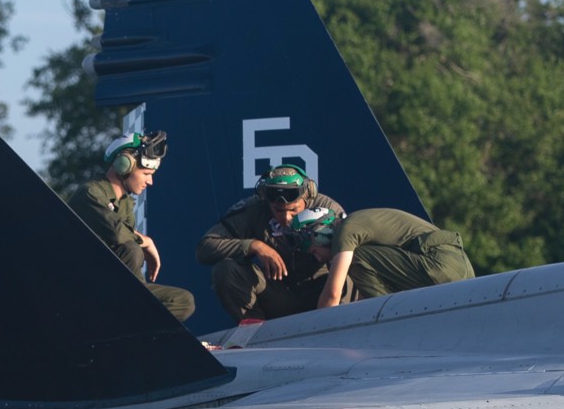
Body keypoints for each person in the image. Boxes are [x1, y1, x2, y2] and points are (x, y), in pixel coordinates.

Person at [196, 164, 348, 321]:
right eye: (278, 210)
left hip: (322, 292)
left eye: (294, 210)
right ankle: (253, 331)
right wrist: (254, 246)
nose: (286, 217)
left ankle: (343, 324)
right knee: (225, 269)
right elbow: (205, 248)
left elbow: (348, 252)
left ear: (307, 196)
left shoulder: (327, 210)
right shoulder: (254, 209)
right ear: (266, 201)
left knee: (349, 264)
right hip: (280, 295)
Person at [72, 132, 195, 322]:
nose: (150, 181)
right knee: (133, 250)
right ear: (124, 166)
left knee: (183, 300)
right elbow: (118, 234)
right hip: (83, 286)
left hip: (113, 289)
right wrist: (146, 241)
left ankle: (133, 325)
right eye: (146, 174)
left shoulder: (126, 204)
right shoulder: (90, 193)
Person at [288, 206, 475, 309]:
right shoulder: (359, 228)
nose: (319, 259)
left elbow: (332, 294)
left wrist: (320, 330)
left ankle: (389, 315)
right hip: (460, 268)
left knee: (356, 258)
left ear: (320, 234)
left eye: (314, 251)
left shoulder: (345, 232)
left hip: (440, 265)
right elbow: (368, 284)